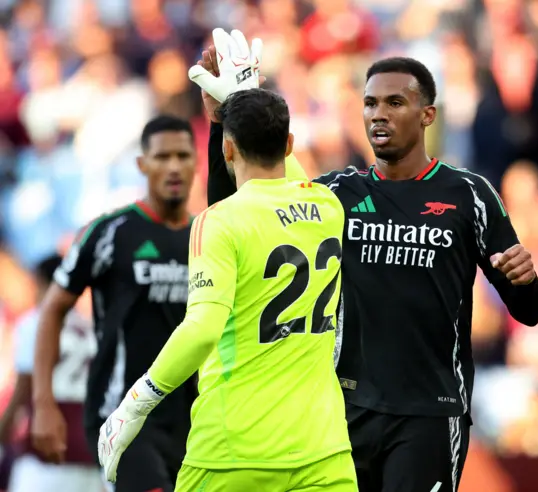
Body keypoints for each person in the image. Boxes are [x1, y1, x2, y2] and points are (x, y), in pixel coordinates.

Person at [198, 29, 538, 492]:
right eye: (369, 104)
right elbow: (239, 204)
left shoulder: (469, 195)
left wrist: (524, 281)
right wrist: (226, 120)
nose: (378, 114)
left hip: (430, 413)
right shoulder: (337, 194)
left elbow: (529, 309)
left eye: (394, 103)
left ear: (428, 115)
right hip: (342, 411)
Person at [98, 88, 356, 492]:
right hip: (324, 450)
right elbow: (295, 181)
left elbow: (202, 328)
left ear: (227, 149)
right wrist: (245, 91)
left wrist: (135, 405)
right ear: (289, 143)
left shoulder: (219, 220)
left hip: (233, 450)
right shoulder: (328, 206)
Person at [31, 115, 199, 492]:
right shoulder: (110, 232)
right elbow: (53, 308)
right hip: (121, 418)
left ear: (196, 162)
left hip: (192, 421)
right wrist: (44, 403)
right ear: (142, 164)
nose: (173, 166)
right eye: (162, 157)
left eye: (183, 156)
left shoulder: (207, 236)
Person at [0, 254, 101, 492]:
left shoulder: (35, 322)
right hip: (89, 455)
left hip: (47, 454)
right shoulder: (89, 327)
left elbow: (25, 388)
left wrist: (3, 433)